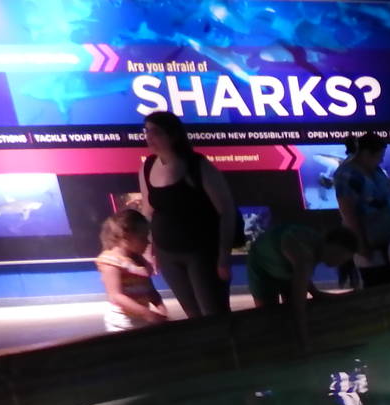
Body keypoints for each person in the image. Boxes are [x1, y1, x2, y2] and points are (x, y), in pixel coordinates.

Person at [139, 110, 236, 318]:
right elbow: (148, 210)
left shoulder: (197, 165)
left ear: (173, 134)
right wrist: (149, 248)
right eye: (146, 131)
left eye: (156, 132)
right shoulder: (147, 166)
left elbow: (226, 211)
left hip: (202, 253)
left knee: (214, 313)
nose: (149, 137)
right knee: (192, 315)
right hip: (167, 254)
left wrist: (223, 256)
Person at [246, 221, 359, 344]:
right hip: (262, 267)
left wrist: (316, 293)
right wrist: (304, 343)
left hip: (283, 262)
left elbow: (301, 276)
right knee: (268, 317)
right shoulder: (305, 255)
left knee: (289, 308)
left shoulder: (316, 244)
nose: (340, 262)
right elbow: (298, 306)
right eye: (340, 256)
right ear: (332, 247)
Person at [333, 132, 390, 286]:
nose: (381, 160)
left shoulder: (376, 170)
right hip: (370, 244)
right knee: (377, 285)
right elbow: (348, 213)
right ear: (365, 153)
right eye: (379, 156)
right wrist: (362, 245)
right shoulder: (346, 175)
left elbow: (389, 194)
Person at [95, 209, 167, 331]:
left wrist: (161, 308)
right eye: (142, 238)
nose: (147, 242)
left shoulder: (138, 261)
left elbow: (150, 290)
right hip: (122, 321)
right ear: (126, 237)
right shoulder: (111, 261)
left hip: (141, 319)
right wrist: (146, 313)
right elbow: (116, 295)